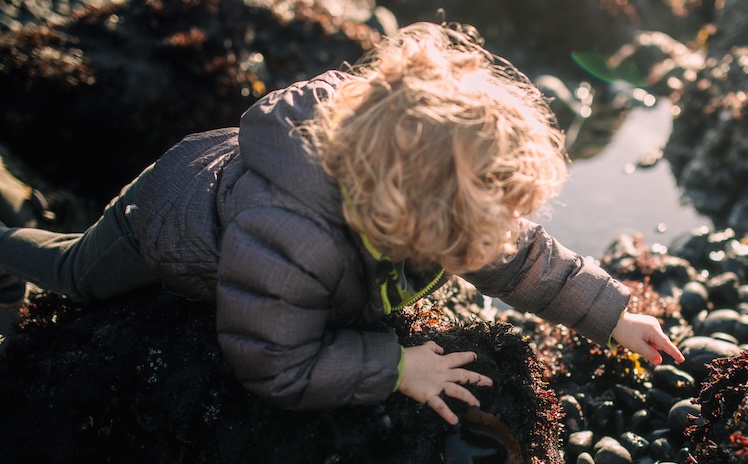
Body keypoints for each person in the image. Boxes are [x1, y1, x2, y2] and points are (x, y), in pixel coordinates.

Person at [0, 22, 683, 425]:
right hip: (163, 216)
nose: (498, 235)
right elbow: (271, 361)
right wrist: (393, 366)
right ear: (412, 215)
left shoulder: (423, 194)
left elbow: (517, 254)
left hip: (243, 183)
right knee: (74, 277)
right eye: (482, 220)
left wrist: (613, 314)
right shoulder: (293, 241)